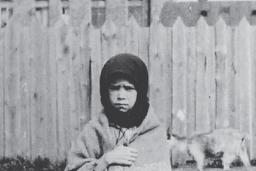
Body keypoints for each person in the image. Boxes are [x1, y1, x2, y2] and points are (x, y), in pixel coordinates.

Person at [65, 53, 171, 171]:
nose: (121, 96)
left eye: (128, 88)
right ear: (105, 90)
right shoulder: (95, 131)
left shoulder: (154, 131)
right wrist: (105, 160)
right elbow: (73, 168)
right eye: (115, 88)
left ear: (140, 91)